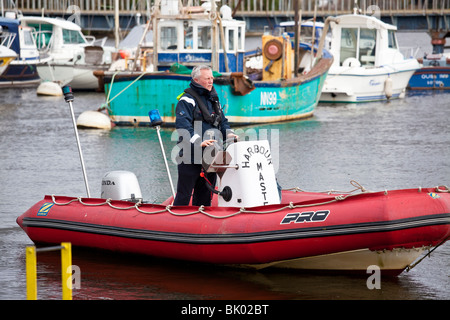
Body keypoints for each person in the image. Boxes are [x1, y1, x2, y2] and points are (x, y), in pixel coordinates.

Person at [173, 65, 238, 206]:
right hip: (190, 158)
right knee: (184, 196)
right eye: (207, 78)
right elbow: (183, 126)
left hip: (211, 157)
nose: (211, 81)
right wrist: (198, 141)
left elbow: (223, 122)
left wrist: (230, 134)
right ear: (196, 80)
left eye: (212, 78)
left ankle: (200, 225)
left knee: (204, 197)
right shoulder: (187, 100)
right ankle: (176, 223)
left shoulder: (214, 100)